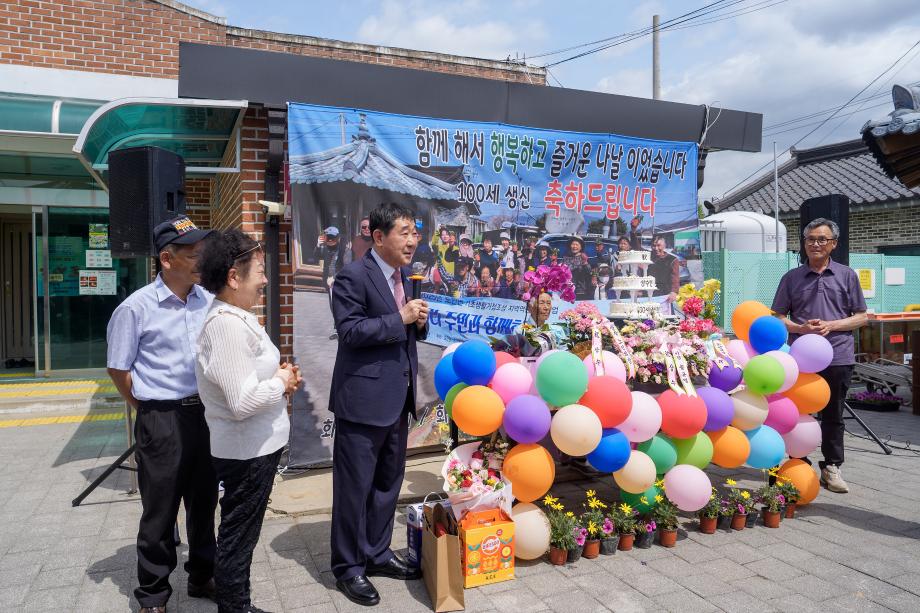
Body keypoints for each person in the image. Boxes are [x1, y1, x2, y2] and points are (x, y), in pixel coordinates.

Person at [105, 215, 217, 613]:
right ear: (167, 259)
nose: (203, 260)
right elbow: (118, 369)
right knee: (160, 509)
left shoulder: (208, 301)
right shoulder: (135, 308)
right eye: (194, 254)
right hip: (162, 419)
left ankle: (203, 575)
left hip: (205, 416)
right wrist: (147, 408)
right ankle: (153, 594)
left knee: (204, 503)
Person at [196, 229, 302, 613]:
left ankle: (236, 603)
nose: (265, 279)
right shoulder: (225, 326)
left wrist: (279, 378)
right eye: (259, 270)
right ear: (233, 277)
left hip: (255, 448)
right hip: (246, 453)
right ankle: (235, 606)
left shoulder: (236, 318)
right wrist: (281, 382)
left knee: (241, 534)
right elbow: (241, 402)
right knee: (238, 538)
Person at [329, 203, 429, 607]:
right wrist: (400, 318)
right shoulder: (353, 276)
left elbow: (406, 332)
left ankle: (377, 552)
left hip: (397, 399)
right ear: (378, 236)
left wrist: (419, 322)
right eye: (404, 232)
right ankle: (348, 567)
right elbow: (350, 331)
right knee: (354, 489)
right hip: (362, 402)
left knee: (388, 483)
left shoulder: (405, 277)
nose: (412, 240)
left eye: (414, 232)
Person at [771, 218, 867, 493]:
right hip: (800, 359)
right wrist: (800, 328)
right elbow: (777, 317)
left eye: (822, 239)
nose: (815, 244)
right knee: (795, 413)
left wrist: (832, 325)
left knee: (833, 414)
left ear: (833, 244)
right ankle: (797, 463)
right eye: (810, 239)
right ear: (804, 244)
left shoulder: (847, 275)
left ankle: (832, 467)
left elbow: (861, 317)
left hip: (838, 356)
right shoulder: (791, 278)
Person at [315, 226, 347, 340]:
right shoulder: (325, 248)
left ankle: (342, 329)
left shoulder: (344, 249)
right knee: (333, 306)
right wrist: (318, 245)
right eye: (328, 237)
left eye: (332, 237)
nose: (330, 240)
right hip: (329, 283)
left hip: (341, 282)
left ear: (338, 238)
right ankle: (337, 329)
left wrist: (335, 277)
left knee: (341, 306)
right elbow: (316, 257)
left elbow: (347, 267)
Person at [647, 235, 679, 302]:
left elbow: (675, 278)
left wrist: (674, 292)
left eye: (659, 245)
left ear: (664, 245)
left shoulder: (672, 260)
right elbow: (637, 247)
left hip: (665, 295)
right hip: (648, 294)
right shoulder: (647, 257)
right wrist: (633, 232)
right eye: (654, 246)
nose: (656, 248)